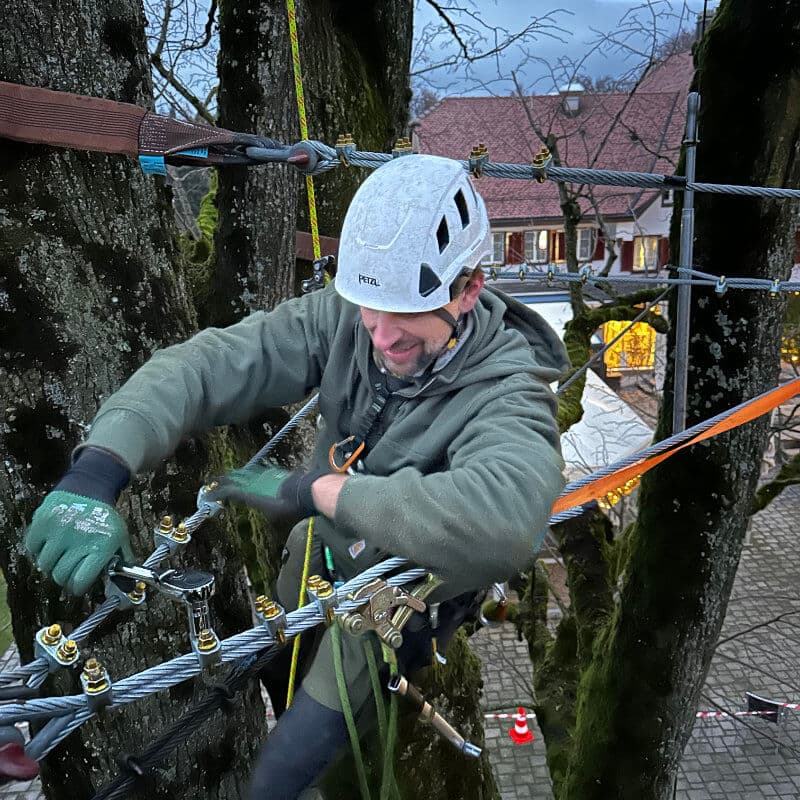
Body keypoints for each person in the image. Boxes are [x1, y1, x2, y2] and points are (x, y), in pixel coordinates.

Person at [24, 154, 568, 798]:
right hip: (316, 553)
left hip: (397, 599)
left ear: (470, 289)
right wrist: (99, 467)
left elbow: (504, 522)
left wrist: (319, 491)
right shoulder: (344, 321)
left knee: (281, 771)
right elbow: (212, 364)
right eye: (368, 308)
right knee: (266, 667)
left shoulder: (508, 392)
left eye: (405, 314)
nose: (380, 337)